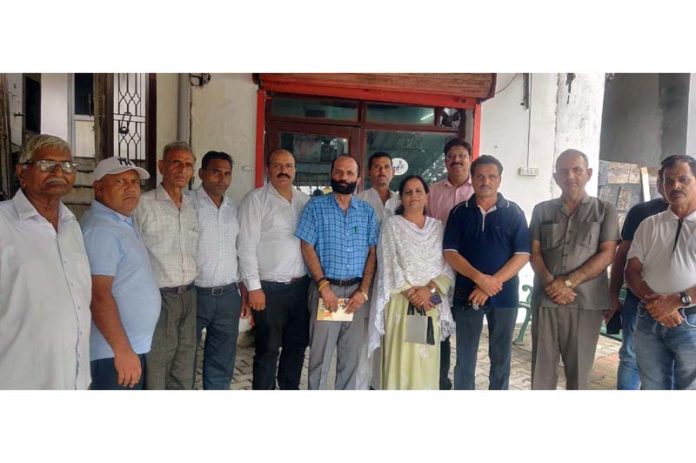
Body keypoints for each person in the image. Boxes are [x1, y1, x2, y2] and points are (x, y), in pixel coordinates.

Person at [0, 134, 91, 389]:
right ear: (21, 172)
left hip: (73, 377)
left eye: (68, 166)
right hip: (19, 378)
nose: (59, 171)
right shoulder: (3, 224)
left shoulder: (72, 225)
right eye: (46, 164)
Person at [529, 149, 619, 390]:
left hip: (586, 302)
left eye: (577, 170)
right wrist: (552, 284)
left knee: (579, 374)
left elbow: (608, 253)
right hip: (546, 300)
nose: (570, 176)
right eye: (563, 171)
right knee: (541, 372)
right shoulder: (542, 210)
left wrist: (568, 283)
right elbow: (534, 252)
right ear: (555, 177)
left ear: (588, 173)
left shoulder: (605, 210)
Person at [443, 155, 530, 390]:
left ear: (500, 180)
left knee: (501, 358)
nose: (486, 181)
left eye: (492, 176)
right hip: (466, 294)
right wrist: (480, 280)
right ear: (472, 179)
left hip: (505, 296)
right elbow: (450, 253)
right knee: (465, 357)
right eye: (480, 176)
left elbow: (522, 254)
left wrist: (491, 284)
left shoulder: (514, 213)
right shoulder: (459, 213)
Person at [296, 154, 378, 390]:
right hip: (326, 292)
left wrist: (363, 292)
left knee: (350, 360)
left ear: (358, 178)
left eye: (350, 173)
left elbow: (373, 252)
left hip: (356, 295)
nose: (344, 177)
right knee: (320, 359)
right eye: (339, 172)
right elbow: (307, 246)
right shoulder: (315, 207)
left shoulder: (366, 211)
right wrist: (323, 286)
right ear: (331, 175)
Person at [81, 156, 160, 390]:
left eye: (135, 182)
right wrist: (122, 350)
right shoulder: (101, 230)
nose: (130, 188)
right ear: (98, 188)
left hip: (127, 348)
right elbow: (99, 296)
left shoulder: (121, 221)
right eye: (120, 181)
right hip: (113, 353)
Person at [368, 175, 454, 389]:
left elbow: (447, 266)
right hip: (401, 303)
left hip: (431, 301)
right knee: (401, 361)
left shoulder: (438, 228)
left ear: (427, 196)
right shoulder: (391, 226)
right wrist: (413, 294)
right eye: (408, 191)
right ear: (401, 198)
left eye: (418, 191)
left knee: (425, 362)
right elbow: (388, 264)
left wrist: (428, 291)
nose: (414, 195)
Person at [238, 149, 310, 390]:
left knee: (296, 347)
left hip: (301, 287)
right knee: (268, 350)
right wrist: (254, 288)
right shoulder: (255, 200)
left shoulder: (304, 201)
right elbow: (245, 245)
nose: (283, 170)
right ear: (268, 168)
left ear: (295, 171)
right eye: (278, 165)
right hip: (269, 289)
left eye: (288, 166)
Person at [625, 154, 696, 389]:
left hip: (691, 320)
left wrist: (677, 301)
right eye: (668, 181)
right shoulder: (650, 224)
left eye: (683, 179)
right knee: (652, 385)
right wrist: (657, 305)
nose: (675, 186)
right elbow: (632, 271)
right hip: (649, 317)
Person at [134, 141, 199, 390]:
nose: (183, 170)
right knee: (157, 365)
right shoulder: (144, 205)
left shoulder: (193, 206)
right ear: (162, 166)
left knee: (185, 364)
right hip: (157, 298)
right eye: (176, 163)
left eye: (188, 165)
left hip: (189, 296)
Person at [607, 162, 669, 390]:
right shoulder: (642, 212)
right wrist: (613, 295)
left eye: (681, 179)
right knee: (631, 357)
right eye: (664, 179)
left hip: (683, 308)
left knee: (671, 362)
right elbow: (622, 257)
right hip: (639, 299)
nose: (669, 185)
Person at [192, 151, 243, 390]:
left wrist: (242, 289)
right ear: (202, 173)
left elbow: (240, 249)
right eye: (216, 172)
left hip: (228, 296)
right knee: (185, 357)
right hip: (194, 294)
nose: (222, 179)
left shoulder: (234, 208)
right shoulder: (187, 203)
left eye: (227, 173)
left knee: (222, 360)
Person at [427, 137, 475, 390]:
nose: (456, 160)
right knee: (437, 326)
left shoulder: (479, 189)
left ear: (470, 158)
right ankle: (440, 383)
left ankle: (464, 385)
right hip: (438, 275)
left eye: (461, 156)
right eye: (451, 157)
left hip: (469, 275)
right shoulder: (433, 192)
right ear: (445, 161)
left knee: (467, 330)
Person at [356, 151, 400, 389]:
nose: (382, 171)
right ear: (369, 172)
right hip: (366, 276)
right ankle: (363, 385)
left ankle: (384, 384)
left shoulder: (402, 201)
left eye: (386, 167)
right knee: (364, 334)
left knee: (389, 331)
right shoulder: (360, 200)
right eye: (377, 167)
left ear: (392, 172)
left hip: (394, 279)